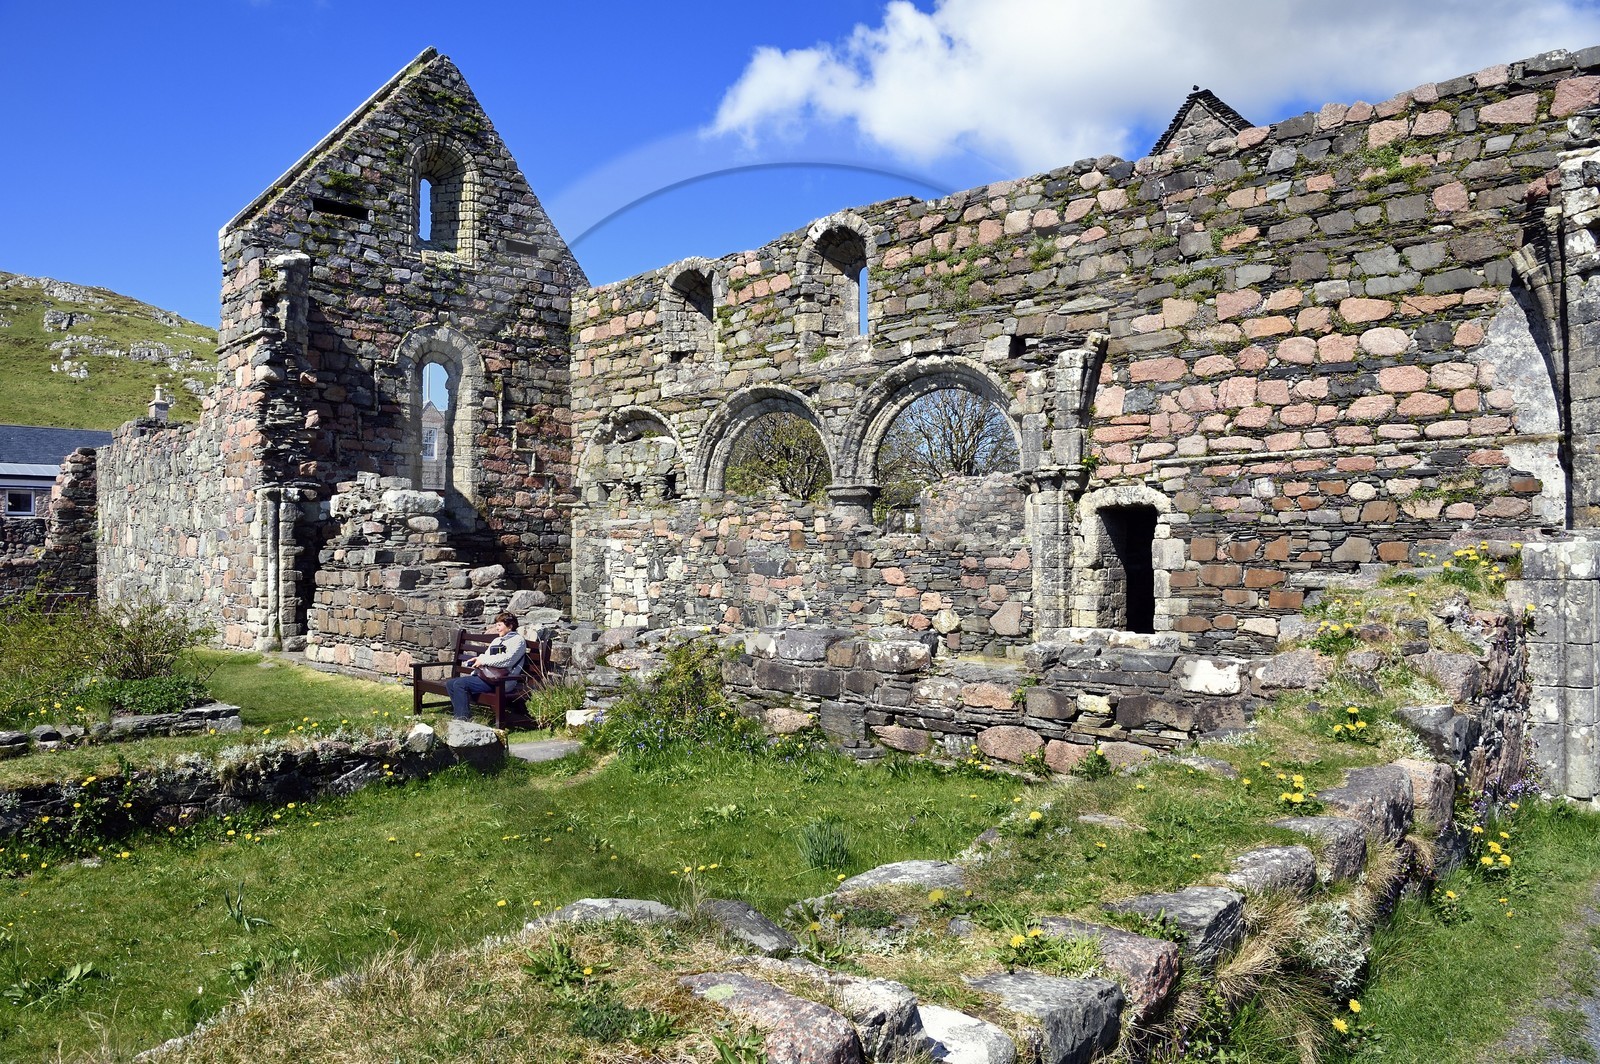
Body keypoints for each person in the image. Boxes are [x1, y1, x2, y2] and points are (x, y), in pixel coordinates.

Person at [445, 612, 527, 721]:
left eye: (499, 625)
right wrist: (478, 659)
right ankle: (460, 714)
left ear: (510, 626)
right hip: (487, 677)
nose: (497, 628)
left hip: (502, 681)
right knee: (450, 683)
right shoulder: (497, 640)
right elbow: (487, 656)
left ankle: (463, 720)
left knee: (460, 684)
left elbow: (507, 660)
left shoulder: (518, 641)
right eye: (496, 625)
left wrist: (483, 661)